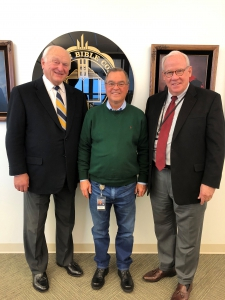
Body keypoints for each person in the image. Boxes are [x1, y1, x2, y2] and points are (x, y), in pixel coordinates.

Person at [143, 50, 225, 300]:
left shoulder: (209, 99)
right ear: (163, 75)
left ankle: (185, 281)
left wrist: (210, 182)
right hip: (158, 175)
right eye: (169, 72)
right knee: (164, 228)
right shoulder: (154, 102)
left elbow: (217, 144)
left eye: (180, 71)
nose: (174, 76)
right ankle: (167, 266)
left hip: (191, 179)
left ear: (190, 72)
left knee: (188, 234)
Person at [5, 45, 87, 292]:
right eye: (55, 62)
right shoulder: (23, 93)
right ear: (43, 63)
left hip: (68, 174)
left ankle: (65, 259)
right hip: (35, 174)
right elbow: (14, 136)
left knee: (66, 221)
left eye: (65, 65)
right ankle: (38, 268)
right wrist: (19, 171)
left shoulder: (77, 96)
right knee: (34, 226)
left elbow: (81, 137)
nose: (60, 68)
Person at [78, 67, 148, 293]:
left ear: (127, 87)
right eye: (111, 83)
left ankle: (124, 267)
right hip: (98, 187)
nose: (115, 88)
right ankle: (101, 266)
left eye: (120, 83)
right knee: (99, 231)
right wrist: (83, 178)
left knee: (126, 231)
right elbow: (84, 148)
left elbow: (145, 150)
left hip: (128, 187)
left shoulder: (138, 116)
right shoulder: (93, 115)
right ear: (105, 87)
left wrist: (143, 180)